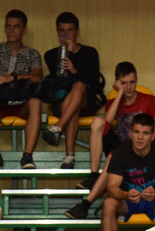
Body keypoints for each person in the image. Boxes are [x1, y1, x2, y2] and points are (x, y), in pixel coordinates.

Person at [66, 62, 155, 220]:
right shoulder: (113, 102)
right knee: (98, 122)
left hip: (143, 147)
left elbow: (153, 132)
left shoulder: (149, 100)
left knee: (113, 157)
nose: (129, 87)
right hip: (122, 144)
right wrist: (119, 94)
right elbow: (106, 123)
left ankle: (86, 204)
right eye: (124, 83)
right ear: (117, 82)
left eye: (132, 82)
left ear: (137, 80)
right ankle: (94, 175)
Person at [0, 9, 43, 170]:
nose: (11, 30)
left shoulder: (33, 54)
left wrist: (13, 77)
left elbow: (38, 78)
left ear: (24, 30)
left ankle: (27, 156)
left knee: (36, 102)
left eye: (16, 27)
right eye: (8, 26)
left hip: (21, 102)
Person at [40, 12, 104, 169]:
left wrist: (74, 69)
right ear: (58, 33)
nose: (66, 34)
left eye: (70, 30)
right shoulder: (51, 55)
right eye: (62, 30)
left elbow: (93, 82)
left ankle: (59, 127)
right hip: (62, 101)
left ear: (77, 32)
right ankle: (69, 156)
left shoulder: (90, 53)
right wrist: (66, 52)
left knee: (79, 86)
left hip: (87, 100)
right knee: (73, 107)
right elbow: (59, 80)